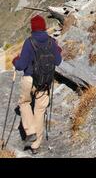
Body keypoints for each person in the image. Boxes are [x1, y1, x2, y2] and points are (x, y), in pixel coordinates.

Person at [13, 15, 62, 154]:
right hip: (45, 82)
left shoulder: (29, 42)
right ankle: (35, 146)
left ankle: (31, 130)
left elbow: (21, 65)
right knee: (40, 111)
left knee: (24, 103)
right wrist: (57, 50)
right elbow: (58, 61)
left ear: (33, 28)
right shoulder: (51, 42)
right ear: (44, 26)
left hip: (29, 79)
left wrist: (15, 61)